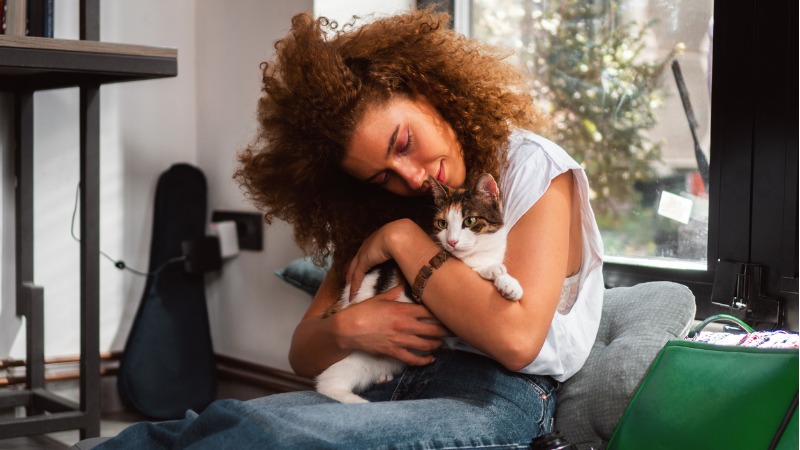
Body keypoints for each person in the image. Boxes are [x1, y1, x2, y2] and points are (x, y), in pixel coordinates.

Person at [94, 8, 604, 449]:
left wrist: (402, 240)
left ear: (426, 90)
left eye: (403, 141)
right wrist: (352, 326)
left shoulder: (534, 169)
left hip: (492, 396)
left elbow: (516, 340)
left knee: (267, 440)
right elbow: (304, 350)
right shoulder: (385, 204)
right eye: (383, 174)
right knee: (211, 423)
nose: (411, 177)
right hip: (379, 378)